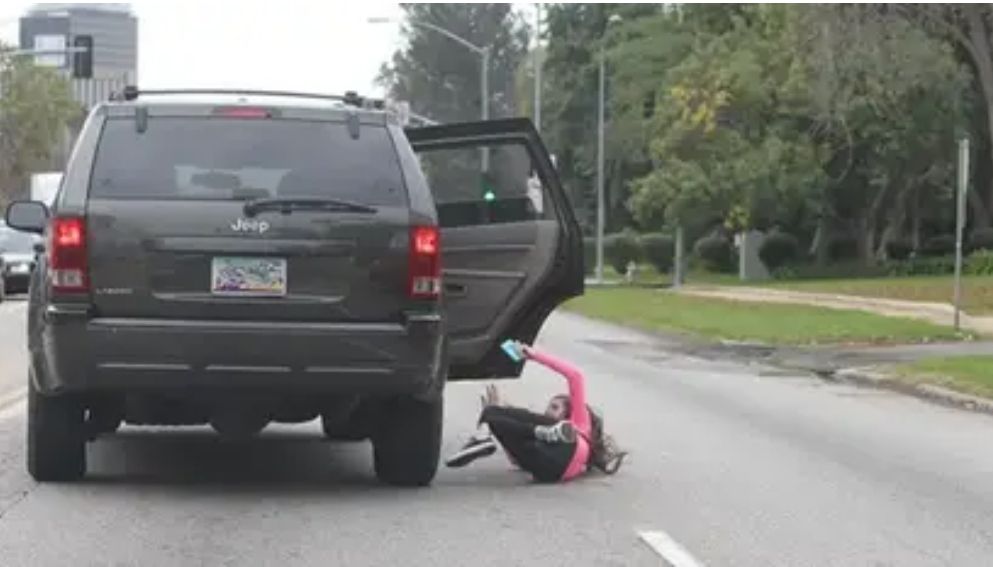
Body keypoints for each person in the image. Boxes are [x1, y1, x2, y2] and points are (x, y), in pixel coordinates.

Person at [445, 341, 626, 482]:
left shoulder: (580, 425)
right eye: (549, 406)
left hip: (568, 448)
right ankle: (488, 434)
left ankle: (485, 433)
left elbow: (575, 377)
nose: (548, 411)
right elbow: (516, 458)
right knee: (494, 415)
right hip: (548, 472)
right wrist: (497, 422)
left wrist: (534, 356)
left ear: (569, 413)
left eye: (555, 407)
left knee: (498, 413)